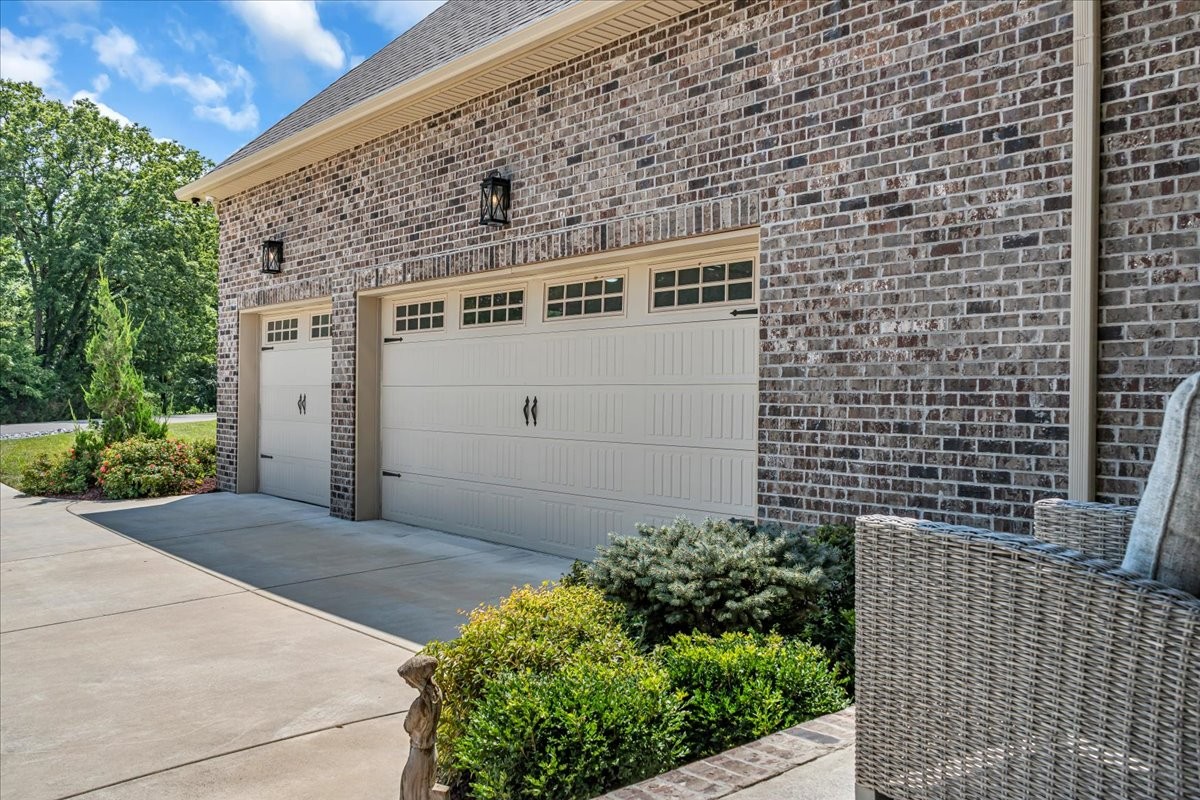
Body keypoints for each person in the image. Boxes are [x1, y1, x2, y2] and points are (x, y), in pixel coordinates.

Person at [398, 654, 442, 800]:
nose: (406, 682)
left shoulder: (419, 704)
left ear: (416, 678)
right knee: (424, 791)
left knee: (411, 790)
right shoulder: (437, 694)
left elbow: (407, 726)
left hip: (418, 754)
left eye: (407, 679)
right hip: (431, 750)